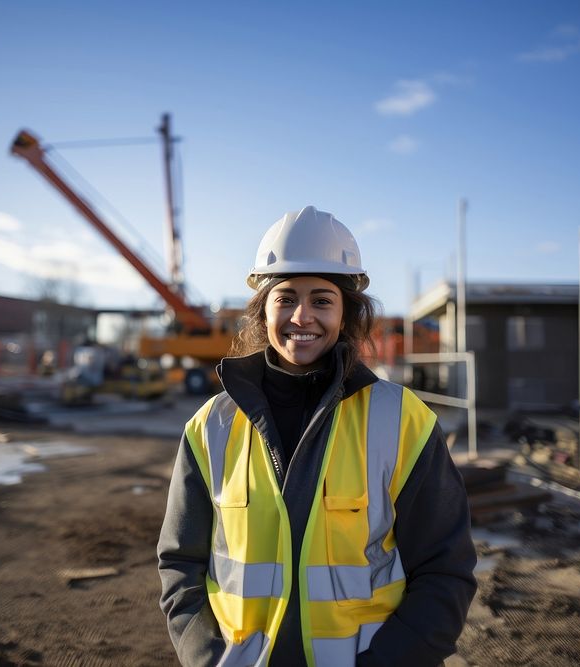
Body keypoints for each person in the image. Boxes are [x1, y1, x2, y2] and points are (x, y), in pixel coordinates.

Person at [157, 206, 477, 667]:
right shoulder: (211, 426)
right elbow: (180, 565)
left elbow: (445, 572)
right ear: (262, 310)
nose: (302, 316)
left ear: (346, 312)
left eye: (322, 300)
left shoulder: (403, 420)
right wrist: (207, 660)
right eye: (285, 297)